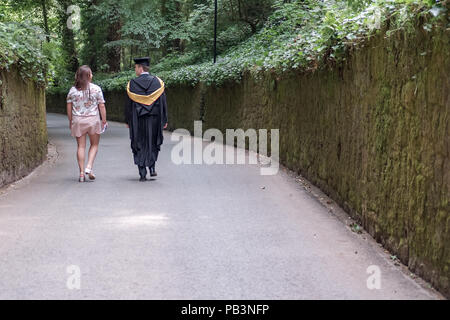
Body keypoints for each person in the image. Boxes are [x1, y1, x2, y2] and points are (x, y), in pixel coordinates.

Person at [124, 57, 168, 182]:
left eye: (135, 67)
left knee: (139, 142)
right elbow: (163, 102)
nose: (135, 69)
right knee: (153, 141)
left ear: (140, 68)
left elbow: (128, 104)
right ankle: (152, 168)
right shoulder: (158, 83)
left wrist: (127, 120)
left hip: (137, 119)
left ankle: (142, 173)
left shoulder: (132, 83)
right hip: (154, 118)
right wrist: (164, 119)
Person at [66, 65, 107, 182]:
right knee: (94, 145)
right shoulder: (96, 89)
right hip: (93, 120)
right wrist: (104, 120)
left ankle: (82, 173)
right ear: (89, 76)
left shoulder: (72, 91)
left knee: (81, 146)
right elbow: (102, 105)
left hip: (78, 120)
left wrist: (71, 121)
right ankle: (89, 166)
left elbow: (69, 108)